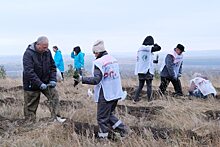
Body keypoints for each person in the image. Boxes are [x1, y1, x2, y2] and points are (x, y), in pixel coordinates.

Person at [73, 40, 128, 139]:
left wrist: (81, 79)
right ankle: (123, 129)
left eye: (94, 53)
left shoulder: (99, 62)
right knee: (108, 115)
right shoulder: (113, 59)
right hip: (115, 92)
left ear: (97, 52)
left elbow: (96, 80)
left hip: (106, 94)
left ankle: (103, 139)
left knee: (102, 118)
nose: (94, 55)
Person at [22, 36, 65, 123]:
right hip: (32, 84)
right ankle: (30, 123)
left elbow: (53, 67)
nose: (46, 49)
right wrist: (39, 83)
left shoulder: (47, 52)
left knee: (54, 97)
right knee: (31, 105)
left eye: (47, 47)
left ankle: (56, 118)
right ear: (38, 45)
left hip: (46, 82)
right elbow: (29, 72)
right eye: (44, 47)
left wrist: (53, 79)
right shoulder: (28, 54)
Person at [133, 36, 161, 103]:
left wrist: (154, 61)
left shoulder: (140, 49)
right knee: (149, 85)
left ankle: (135, 99)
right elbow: (159, 48)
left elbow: (144, 60)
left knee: (140, 86)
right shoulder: (148, 48)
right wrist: (155, 45)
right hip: (147, 71)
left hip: (140, 70)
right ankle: (150, 100)